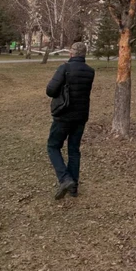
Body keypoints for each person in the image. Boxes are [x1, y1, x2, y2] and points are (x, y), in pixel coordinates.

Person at [45, 41, 95, 200]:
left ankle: (65, 179)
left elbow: (50, 90)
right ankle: (73, 187)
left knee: (53, 146)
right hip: (81, 116)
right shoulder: (90, 71)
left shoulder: (64, 68)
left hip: (63, 115)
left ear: (71, 53)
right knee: (74, 150)